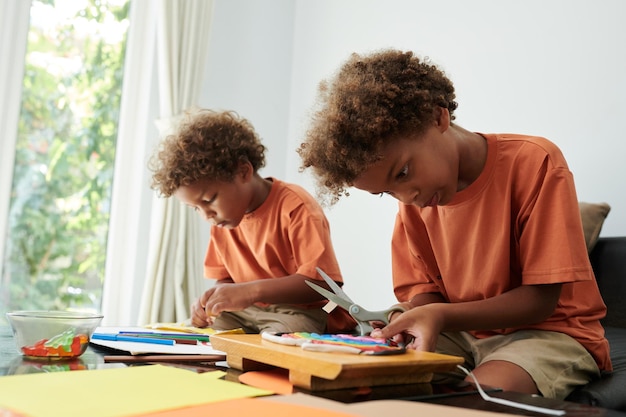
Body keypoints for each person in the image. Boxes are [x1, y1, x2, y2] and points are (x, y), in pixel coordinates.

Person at [297, 49, 611, 399]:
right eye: (388, 192)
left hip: (548, 333)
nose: (406, 196)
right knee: (362, 377)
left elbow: (540, 300)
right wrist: (412, 318)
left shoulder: (535, 163)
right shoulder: (417, 202)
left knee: (476, 398)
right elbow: (425, 292)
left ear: (437, 117)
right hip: (462, 333)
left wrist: (439, 316)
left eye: (402, 173)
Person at [149, 109, 355, 334]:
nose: (206, 215)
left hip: (309, 310)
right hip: (252, 311)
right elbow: (225, 279)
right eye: (195, 208)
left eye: (209, 200)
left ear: (244, 172)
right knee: (208, 330)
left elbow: (325, 286)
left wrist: (251, 292)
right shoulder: (222, 221)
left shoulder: (295, 206)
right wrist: (212, 300)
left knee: (283, 336)